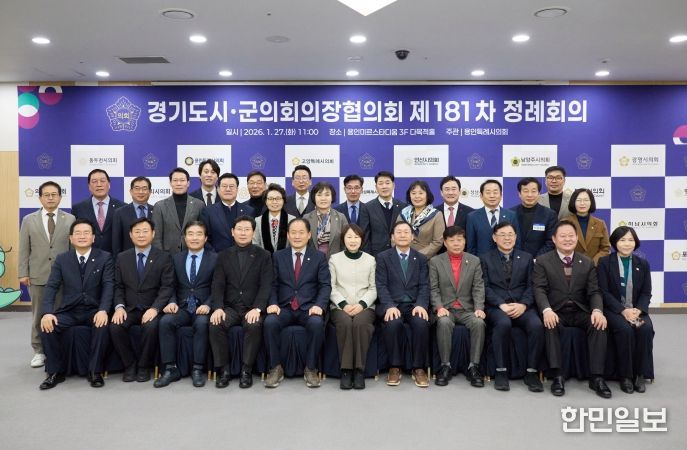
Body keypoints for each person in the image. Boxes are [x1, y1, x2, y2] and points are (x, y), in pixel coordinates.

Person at [533, 220, 612, 398]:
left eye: (571, 236)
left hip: (580, 310)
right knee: (551, 325)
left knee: (598, 324)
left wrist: (597, 311)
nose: (567, 239)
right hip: (556, 310)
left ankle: (597, 377)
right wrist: (546, 310)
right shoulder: (543, 261)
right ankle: (557, 376)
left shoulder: (587, 262)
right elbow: (539, 289)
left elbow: (594, 291)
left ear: (576, 238)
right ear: (554, 239)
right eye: (563, 236)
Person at [38, 218, 113, 389]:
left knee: (102, 326)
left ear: (93, 237)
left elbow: (109, 286)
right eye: (77, 233)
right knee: (47, 325)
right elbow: (51, 286)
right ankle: (54, 372)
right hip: (69, 310)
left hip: (94, 310)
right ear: (71, 238)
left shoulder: (105, 257)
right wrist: (47, 312)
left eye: (86, 233)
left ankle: (95, 371)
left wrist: (103, 310)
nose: (82, 236)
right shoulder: (62, 259)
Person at [263, 219, 331, 388]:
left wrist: (319, 305)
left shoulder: (319, 257)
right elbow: (272, 284)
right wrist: (273, 303)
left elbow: (325, 285)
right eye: (293, 232)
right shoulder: (278, 256)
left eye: (301, 232)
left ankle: (311, 368)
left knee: (316, 324)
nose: (297, 236)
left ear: (309, 235)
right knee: (270, 322)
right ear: (288, 235)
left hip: (308, 308)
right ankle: (275, 368)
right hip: (284, 307)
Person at [210, 216, 273, 389]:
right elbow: (218, 284)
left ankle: (246, 370)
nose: (243, 233)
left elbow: (266, 285)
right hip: (230, 307)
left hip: (251, 307)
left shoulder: (264, 255)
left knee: (254, 325)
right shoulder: (223, 255)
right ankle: (224, 370)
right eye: (239, 229)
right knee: (215, 324)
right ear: (232, 232)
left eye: (247, 229)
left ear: (253, 232)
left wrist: (258, 308)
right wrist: (218, 308)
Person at [109, 218, 174, 382]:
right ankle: (130, 364)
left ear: (153, 234)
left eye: (145, 231)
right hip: (129, 308)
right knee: (115, 327)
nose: (141, 235)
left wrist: (155, 308)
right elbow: (118, 286)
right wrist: (119, 307)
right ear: (130, 235)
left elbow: (167, 287)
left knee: (151, 327)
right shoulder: (122, 258)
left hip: (152, 307)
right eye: (137, 232)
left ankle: (144, 366)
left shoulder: (164, 257)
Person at [481, 222, 544, 392]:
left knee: (536, 325)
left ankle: (531, 372)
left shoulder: (527, 258)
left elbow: (532, 285)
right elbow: (484, 287)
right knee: (503, 323)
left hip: (521, 305)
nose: (507, 238)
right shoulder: (485, 258)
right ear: (494, 238)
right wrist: (500, 304)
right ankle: (500, 371)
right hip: (496, 306)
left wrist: (523, 304)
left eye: (510, 234)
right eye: (502, 234)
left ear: (516, 237)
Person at [19, 181, 75, 368]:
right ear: (40, 198)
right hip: (38, 275)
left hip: (64, 276)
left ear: (60, 197)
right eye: (46, 195)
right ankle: (39, 351)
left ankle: (59, 347)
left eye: (54, 194)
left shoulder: (70, 219)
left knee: (61, 313)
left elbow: (73, 249)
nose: (50, 198)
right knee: (39, 314)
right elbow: (24, 248)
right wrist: (23, 272)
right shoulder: (29, 220)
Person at [154, 221, 217, 388]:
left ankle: (197, 369)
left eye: (199, 234)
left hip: (203, 307)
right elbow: (170, 285)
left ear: (205, 238)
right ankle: (170, 369)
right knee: (166, 321)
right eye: (190, 234)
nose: (194, 238)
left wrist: (209, 304)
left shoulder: (215, 259)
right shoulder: (175, 258)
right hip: (181, 307)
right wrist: (172, 301)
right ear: (184, 237)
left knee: (202, 324)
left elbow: (218, 287)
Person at [597, 226, 654, 394]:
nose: (627, 244)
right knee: (625, 330)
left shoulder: (642, 264)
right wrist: (623, 311)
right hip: (614, 310)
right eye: (622, 240)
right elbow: (603, 292)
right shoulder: (605, 263)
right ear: (615, 242)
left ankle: (640, 374)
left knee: (644, 328)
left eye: (630, 240)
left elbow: (646, 292)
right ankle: (626, 376)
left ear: (635, 242)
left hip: (635, 311)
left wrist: (639, 310)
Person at [429, 225, 486, 387]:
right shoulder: (435, 261)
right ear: (445, 243)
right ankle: (445, 366)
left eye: (459, 240)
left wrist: (479, 308)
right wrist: (439, 307)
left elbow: (478, 287)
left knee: (479, 323)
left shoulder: (474, 261)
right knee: (444, 322)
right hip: (446, 309)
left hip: (467, 309)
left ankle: (474, 366)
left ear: (465, 242)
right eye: (452, 240)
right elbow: (433, 288)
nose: (456, 243)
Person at [375, 221, 430, 388]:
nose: (402, 235)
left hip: (413, 304)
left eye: (406, 232)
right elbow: (381, 285)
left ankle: (418, 368)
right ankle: (394, 366)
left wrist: (421, 304)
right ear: (392, 237)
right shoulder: (383, 257)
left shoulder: (421, 259)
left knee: (421, 323)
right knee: (393, 323)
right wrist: (389, 305)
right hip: (393, 304)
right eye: (398, 232)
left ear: (413, 237)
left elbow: (424, 285)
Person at [328, 224, 377, 390]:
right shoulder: (334, 259)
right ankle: (346, 371)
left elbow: (373, 288)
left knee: (360, 324)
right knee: (345, 323)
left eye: (356, 237)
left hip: (365, 307)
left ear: (362, 240)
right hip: (339, 306)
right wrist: (343, 304)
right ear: (343, 239)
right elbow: (331, 287)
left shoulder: (370, 260)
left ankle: (359, 370)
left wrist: (362, 304)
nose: (353, 240)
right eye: (349, 237)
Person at [152, 167, 205, 254]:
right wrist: (161, 257)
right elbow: (156, 237)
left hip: (192, 254)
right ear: (170, 183)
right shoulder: (160, 206)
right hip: (167, 256)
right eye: (175, 180)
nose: (178, 183)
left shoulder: (199, 205)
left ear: (188, 183)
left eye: (182, 180)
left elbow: (203, 232)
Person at [71, 169, 125, 254]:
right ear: (89, 186)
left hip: (115, 257)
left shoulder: (122, 207)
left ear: (109, 184)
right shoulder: (78, 208)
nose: (99, 185)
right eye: (94, 181)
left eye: (102, 181)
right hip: (88, 257)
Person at [199, 173, 254, 252]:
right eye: (224, 186)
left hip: (243, 256)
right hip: (217, 257)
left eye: (231, 186)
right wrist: (214, 256)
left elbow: (252, 238)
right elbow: (204, 237)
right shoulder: (208, 211)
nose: (228, 189)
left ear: (237, 189)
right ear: (218, 189)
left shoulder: (248, 211)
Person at [466, 179, 520, 257]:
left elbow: (517, 243)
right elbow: (471, 246)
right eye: (488, 192)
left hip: (507, 260)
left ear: (501, 195)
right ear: (481, 196)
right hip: (481, 261)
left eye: (495, 192)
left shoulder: (511, 215)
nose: (492, 196)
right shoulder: (472, 217)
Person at [397, 180, 445, 259]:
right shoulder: (404, 213)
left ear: (427, 195)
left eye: (421, 193)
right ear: (409, 196)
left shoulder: (436, 215)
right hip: (402, 258)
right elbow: (395, 237)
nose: (417, 196)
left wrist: (417, 256)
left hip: (425, 259)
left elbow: (438, 242)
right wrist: (401, 253)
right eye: (413, 193)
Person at [511, 177, 557, 258]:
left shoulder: (550, 215)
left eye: (533, 191)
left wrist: (537, 259)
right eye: (526, 191)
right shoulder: (510, 213)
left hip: (540, 261)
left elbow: (551, 241)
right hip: (515, 259)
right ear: (519, 194)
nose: (530, 195)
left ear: (539, 193)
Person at [365, 171, 407, 256]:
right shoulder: (367, 207)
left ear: (393, 185)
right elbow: (365, 237)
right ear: (376, 187)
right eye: (380, 183)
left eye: (387, 183)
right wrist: (369, 257)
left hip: (399, 254)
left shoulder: (403, 207)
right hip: (376, 255)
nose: (384, 186)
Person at [566, 188, 610, 265]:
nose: (582, 203)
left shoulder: (600, 224)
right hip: (571, 266)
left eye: (586, 200)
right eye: (579, 200)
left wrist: (592, 263)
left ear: (591, 202)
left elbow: (605, 249)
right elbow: (560, 247)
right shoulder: (565, 223)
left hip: (594, 268)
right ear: (573, 202)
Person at [303, 182, 347, 260]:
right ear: (314, 197)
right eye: (319, 195)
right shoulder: (307, 218)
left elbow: (346, 242)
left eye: (327, 195)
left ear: (332, 197)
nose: (323, 198)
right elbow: (303, 243)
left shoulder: (341, 217)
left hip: (336, 261)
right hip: (312, 261)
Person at [112, 176, 154, 256]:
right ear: (131, 191)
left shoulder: (156, 211)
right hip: (127, 259)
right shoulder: (120, 213)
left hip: (153, 258)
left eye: (144, 189)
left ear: (150, 192)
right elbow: (116, 242)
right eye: (137, 188)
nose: (141, 192)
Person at [253, 183, 296, 253]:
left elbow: (295, 243)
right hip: (264, 258)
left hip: (286, 258)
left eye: (278, 198)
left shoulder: (292, 220)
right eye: (270, 199)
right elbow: (255, 244)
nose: (274, 202)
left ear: (283, 200)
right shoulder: (258, 220)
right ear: (265, 201)